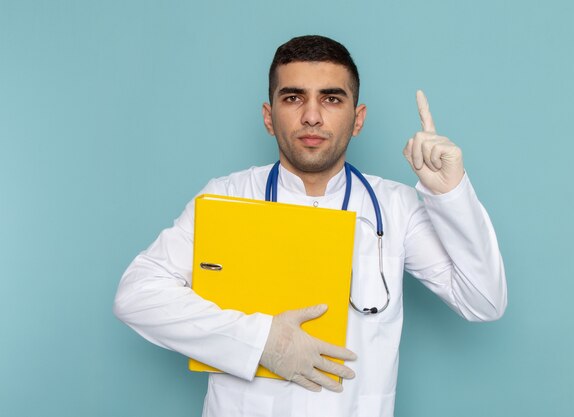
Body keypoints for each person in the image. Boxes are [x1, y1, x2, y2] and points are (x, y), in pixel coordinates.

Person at [114, 35, 507, 417]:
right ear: (269, 118)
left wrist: (450, 194)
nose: (312, 116)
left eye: (332, 98)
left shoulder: (395, 207)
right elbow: (137, 295)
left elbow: (483, 301)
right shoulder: (228, 195)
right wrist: (262, 342)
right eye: (293, 97)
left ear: (358, 119)